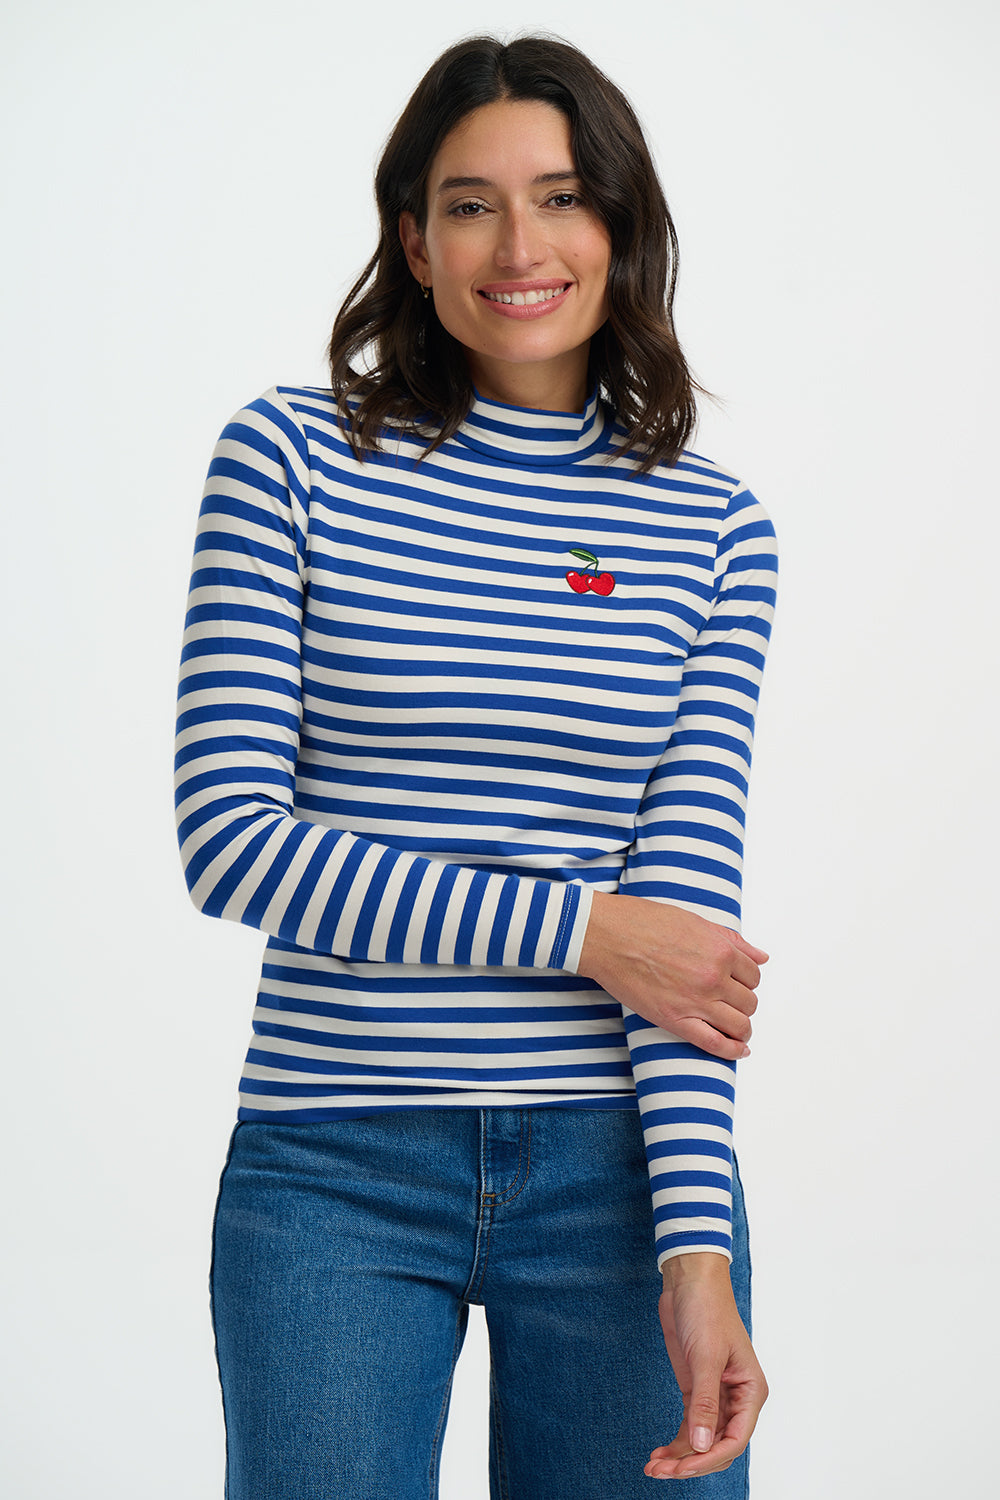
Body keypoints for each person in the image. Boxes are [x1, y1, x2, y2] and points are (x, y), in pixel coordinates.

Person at [174, 34, 777, 1499]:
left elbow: (685, 938)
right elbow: (233, 840)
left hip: (619, 1180)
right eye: (470, 203)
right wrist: (584, 929)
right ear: (412, 237)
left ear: (619, 229)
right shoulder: (291, 459)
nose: (523, 246)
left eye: (564, 198)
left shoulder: (712, 528)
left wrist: (697, 1253)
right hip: (336, 1166)